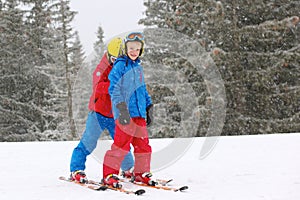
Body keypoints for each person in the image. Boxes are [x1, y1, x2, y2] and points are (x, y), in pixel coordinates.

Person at [69, 37, 134, 183]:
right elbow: (99, 87)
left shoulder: (124, 67)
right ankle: (76, 169)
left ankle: (128, 168)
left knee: (121, 143)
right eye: (114, 59)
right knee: (88, 142)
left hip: (115, 114)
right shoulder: (101, 69)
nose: (116, 62)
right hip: (98, 113)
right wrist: (115, 84)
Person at [102, 32, 155, 188]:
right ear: (125, 48)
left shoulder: (138, 68)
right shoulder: (120, 65)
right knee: (121, 145)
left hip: (138, 114)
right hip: (125, 113)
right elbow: (114, 88)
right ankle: (109, 174)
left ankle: (141, 173)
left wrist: (149, 105)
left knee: (143, 145)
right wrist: (121, 107)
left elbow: (142, 89)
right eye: (131, 48)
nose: (134, 51)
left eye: (137, 49)